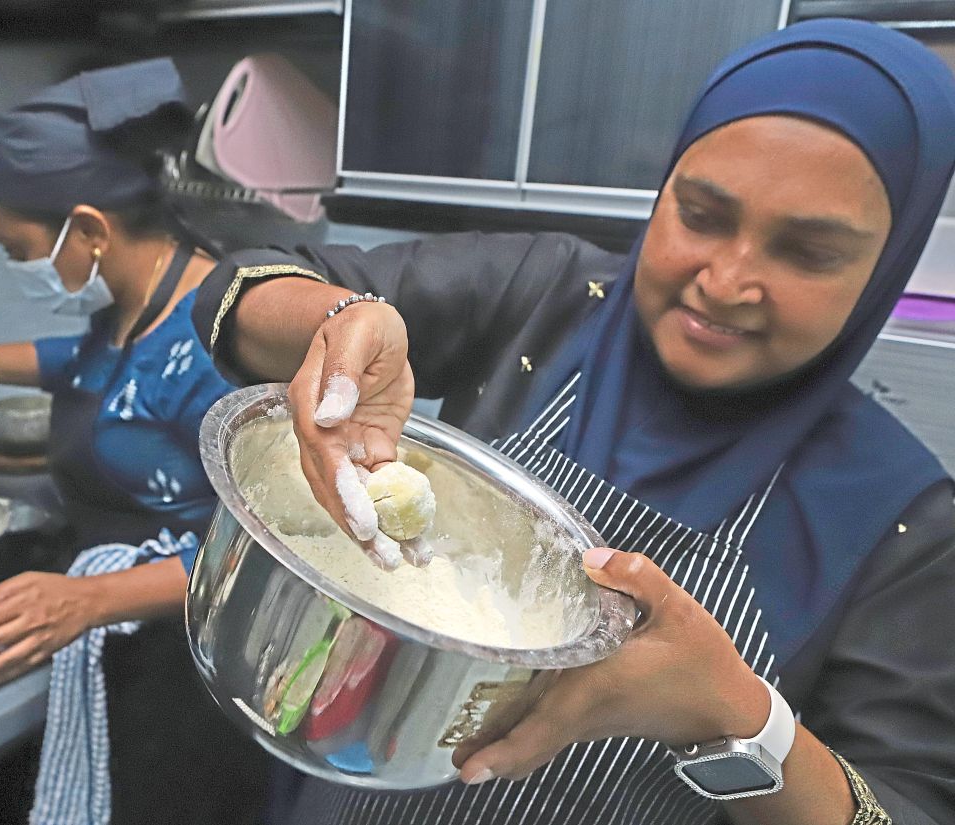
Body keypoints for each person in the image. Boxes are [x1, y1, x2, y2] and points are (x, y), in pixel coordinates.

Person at [189, 19, 955, 825]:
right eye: (699, 214)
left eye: (807, 252)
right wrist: (339, 323)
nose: (727, 281)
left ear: (886, 266)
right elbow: (238, 287)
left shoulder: (903, 525)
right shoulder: (547, 299)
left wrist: (741, 721)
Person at [0, 58, 268, 825]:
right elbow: (100, 369)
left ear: (88, 229)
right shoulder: (133, 302)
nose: (20, 266)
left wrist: (88, 599)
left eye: (17, 250)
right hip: (127, 639)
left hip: (194, 672)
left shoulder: (220, 343)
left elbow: (265, 555)